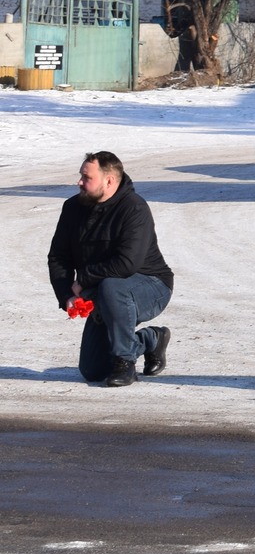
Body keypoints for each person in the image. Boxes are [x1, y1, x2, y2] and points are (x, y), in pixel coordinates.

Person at [46, 150, 174, 387]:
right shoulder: (72, 208)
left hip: (151, 286)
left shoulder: (134, 208)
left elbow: (127, 263)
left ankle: (125, 362)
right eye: (81, 176)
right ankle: (151, 339)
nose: (79, 182)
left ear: (109, 181)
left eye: (87, 177)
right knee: (93, 370)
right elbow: (58, 257)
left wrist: (83, 280)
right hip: (104, 292)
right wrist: (66, 295)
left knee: (112, 286)